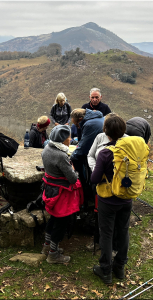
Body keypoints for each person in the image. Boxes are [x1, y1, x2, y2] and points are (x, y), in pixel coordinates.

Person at [90, 114, 131, 284]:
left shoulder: (105, 153)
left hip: (108, 199)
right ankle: (120, 267)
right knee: (123, 231)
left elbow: (94, 179)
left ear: (105, 132)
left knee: (106, 233)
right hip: (127, 197)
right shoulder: (131, 149)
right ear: (123, 131)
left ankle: (105, 269)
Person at [41, 125, 83, 264]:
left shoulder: (47, 148)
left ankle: (46, 246)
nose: (70, 139)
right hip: (62, 193)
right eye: (69, 137)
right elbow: (72, 178)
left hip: (50, 189)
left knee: (53, 218)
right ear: (63, 140)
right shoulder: (61, 155)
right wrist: (75, 172)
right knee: (61, 221)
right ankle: (53, 254)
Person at [70, 108, 104, 206]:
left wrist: (72, 157)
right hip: (103, 150)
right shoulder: (96, 118)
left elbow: (83, 147)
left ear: (80, 119)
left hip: (99, 155)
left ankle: (86, 195)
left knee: (78, 160)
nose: (78, 127)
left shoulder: (89, 125)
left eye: (77, 124)